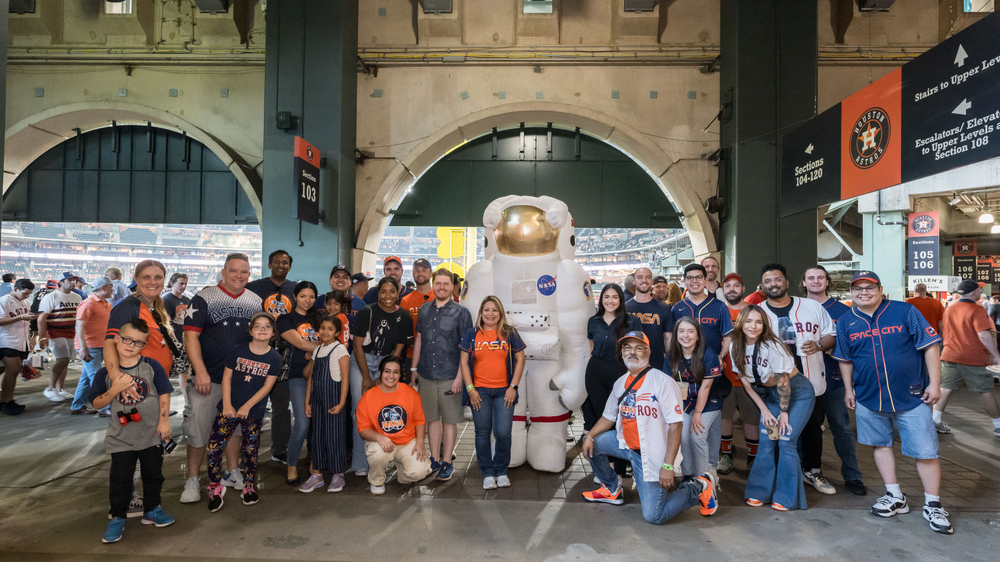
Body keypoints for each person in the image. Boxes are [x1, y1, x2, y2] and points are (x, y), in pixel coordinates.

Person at [832, 270, 952, 535]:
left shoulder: (904, 311)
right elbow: (844, 358)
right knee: (880, 444)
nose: (864, 292)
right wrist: (849, 390)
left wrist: (934, 383)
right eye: (857, 288)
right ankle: (895, 495)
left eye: (869, 287)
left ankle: (933, 504)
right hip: (867, 396)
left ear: (880, 289)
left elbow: (930, 345)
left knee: (925, 451)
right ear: (851, 292)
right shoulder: (845, 321)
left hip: (912, 394)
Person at [580, 330, 718, 524]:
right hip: (626, 445)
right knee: (594, 444)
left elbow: (676, 426)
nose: (632, 352)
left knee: (654, 516)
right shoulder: (620, 383)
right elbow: (608, 416)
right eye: (627, 348)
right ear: (621, 353)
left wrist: (667, 466)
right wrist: (589, 436)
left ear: (648, 352)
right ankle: (612, 489)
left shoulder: (662, 382)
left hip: (652, 455)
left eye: (638, 348)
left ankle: (699, 486)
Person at [181, 253, 262, 504]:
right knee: (199, 429)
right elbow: (190, 336)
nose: (239, 276)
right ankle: (192, 479)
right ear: (224, 271)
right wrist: (200, 370)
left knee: (235, 428)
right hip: (211, 376)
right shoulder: (204, 297)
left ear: (249, 274)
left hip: (241, 380)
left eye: (244, 272)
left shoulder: (255, 300)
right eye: (234, 271)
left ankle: (231, 471)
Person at [89, 318, 175, 543]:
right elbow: (96, 403)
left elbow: (164, 392)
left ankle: (152, 509)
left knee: (153, 475)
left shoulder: (151, 366)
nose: (131, 345)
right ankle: (117, 516)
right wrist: (114, 389)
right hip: (121, 438)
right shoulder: (105, 373)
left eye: (138, 342)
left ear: (144, 345)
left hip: (151, 434)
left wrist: (164, 422)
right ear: (116, 339)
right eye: (127, 339)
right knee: (120, 478)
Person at [758, 263, 837, 495]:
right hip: (773, 385)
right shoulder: (758, 311)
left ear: (787, 282)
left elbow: (830, 335)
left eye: (778, 279)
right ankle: (775, 472)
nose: (774, 284)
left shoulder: (811, 306)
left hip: (810, 382)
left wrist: (820, 345)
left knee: (813, 428)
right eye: (768, 281)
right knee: (774, 430)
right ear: (762, 286)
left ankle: (812, 470)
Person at [730, 305, 815, 511]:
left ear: (764, 324)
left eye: (759, 322)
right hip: (769, 398)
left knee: (785, 440)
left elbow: (783, 382)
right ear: (741, 323)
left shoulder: (772, 345)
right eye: (749, 321)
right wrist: (765, 411)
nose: (754, 326)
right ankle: (759, 492)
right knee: (768, 440)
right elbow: (747, 384)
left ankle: (787, 497)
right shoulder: (736, 346)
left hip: (796, 394)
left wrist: (783, 413)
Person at [205, 312, 281, 512]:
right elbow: (227, 378)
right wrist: (228, 404)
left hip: (253, 411)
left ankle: (248, 485)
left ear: (273, 332)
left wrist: (248, 406)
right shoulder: (237, 351)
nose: (262, 329)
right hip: (228, 409)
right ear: (250, 330)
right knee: (214, 448)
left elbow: (267, 386)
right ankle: (214, 487)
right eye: (258, 326)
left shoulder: (274, 357)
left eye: (267, 326)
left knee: (250, 450)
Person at [801, 265, 866, 496]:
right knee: (806, 430)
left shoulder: (843, 310)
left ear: (827, 282)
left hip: (835, 379)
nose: (816, 281)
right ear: (804, 282)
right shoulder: (797, 308)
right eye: (811, 278)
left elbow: (851, 344)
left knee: (841, 428)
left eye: (820, 277)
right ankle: (806, 471)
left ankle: (852, 475)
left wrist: (829, 347)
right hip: (805, 380)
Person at [671, 263, 733, 475]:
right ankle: (694, 472)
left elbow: (728, 336)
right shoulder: (677, 308)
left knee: (711, 423)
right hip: (687, 373)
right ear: (685, 281)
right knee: (695, 428)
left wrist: (722, 356)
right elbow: (672, 339)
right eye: (690, 277)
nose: (694, 281)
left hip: (711, 373)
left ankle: (710, 468)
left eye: (699, 277)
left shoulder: (719, 306)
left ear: (706, 280)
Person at [459, 295, 527, 489]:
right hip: (479, 391)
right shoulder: (472, 334)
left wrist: (513, 387)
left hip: (504, 392)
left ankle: (501, 470)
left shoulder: (509, 333)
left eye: (494, 310)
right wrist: (470, 389)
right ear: (481, 312)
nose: (490, 314)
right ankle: (487, 472)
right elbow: (463, 362)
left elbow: (520, 360)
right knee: (482, 433)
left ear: (500, 313)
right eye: (486, 310)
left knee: (503, 432)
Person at [413, 269, 474, 481]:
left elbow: (465, 348)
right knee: (432, 420)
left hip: (450, 375)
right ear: (433, 284)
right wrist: (414, 369)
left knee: (450, 420)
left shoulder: (462, 313)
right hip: (427, 373)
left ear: (452, 286)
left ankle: (447, 461)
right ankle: (434, 459)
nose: (441, 287)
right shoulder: (424, 310)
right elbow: (419, 340)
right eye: (437, 283)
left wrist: (460, 378)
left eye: (445, 284)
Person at [349, 277, 414, 476]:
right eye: (383, 291)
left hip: (387, 362)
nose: (387, 296)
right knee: (359, 411)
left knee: (385, 410)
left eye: (392, 292)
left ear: (398, 293)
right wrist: (368, 377)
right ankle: (360, 463)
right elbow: (357, 345)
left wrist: (386, 373)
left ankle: (383, 458)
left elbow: (399, 347)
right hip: (361, 361)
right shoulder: (367, 311)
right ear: (378, 293)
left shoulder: (403, 315)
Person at [933, 279, 1000, 438]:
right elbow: (983, 335)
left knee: (946, 388)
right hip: (973, 357)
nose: (981, 293)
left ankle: (934, 421)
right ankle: (998, 426)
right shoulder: (977, 310)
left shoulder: (950, 308)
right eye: (979, 290)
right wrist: (996, 354)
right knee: (985, 390)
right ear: (973, 292)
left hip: (950, 355)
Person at [356, 356, 432, 494]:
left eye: (395, 372)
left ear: (400, 375)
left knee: (419, 472)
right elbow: (363, 429)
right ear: (380, 373)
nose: (391, 376)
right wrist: (380, 437)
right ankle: (377, 480)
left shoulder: (411, 393)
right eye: (387, 371)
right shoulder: (368, 397)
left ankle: (403, 474)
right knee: (377, 455)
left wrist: (420, 443)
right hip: (382, 443)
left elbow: (420, 421)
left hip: (406, 442)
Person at [298, 315, 351, 493]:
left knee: (335, 436)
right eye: (323, 328)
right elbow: (311, 378)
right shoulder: (317, 350)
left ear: (337, 332)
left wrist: (342, 402)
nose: (325, 332)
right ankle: (317, 475)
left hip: (334, 399)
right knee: (318, 436)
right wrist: (307, 402)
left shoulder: (340, 350)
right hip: (317, 400)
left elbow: (345, 379)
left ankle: (338, 474)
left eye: (330, 329)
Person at [276, 281, 321, 486]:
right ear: (295, 296)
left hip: (321, 375)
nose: (307, 300)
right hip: (297, 375)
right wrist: (318, 348)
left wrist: (314, 351)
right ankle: (292, 464)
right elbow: (300, 343)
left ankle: (316, 464)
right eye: (303, 296)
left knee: (319, 423)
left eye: (311, 296)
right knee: (302, 424)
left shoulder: (318, 318)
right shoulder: (286, 319)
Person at [584, 284, 642, 440]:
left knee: (621, 417)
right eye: (606, 297)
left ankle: (620, 461)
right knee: (600, 415)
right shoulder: (593, 321)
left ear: (621, 299)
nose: (610, 301)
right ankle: (606, 458)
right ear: (601, 299)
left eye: (615, 297)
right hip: (595, 374)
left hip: (622, 373)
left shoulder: (631, 321)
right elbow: (592, 347)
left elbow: (639, 351)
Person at [667, 317, 722, 480]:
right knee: (682, 435)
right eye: (681, 331)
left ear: (698, 336)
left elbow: (706, 387)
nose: (686, 335)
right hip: (685, 400)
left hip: (709, 401)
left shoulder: (709, 354)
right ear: (676, 334)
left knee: (696, 435)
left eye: (691, 331)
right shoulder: (672, 355)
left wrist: (697, 412)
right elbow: (668, 383)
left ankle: (703, 477)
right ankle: (688, 473)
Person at [717, 273, 761, 474]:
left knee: (750, 418)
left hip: (750, 376)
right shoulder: (719, 310)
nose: (732, 289)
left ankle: (753, 459)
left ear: (743, 289)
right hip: (723, 374)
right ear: (722, 289)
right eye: (728, 286)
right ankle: (726, 456)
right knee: (725, 418)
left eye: (736, 285)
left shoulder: (753, 311)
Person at [71, 276, 114, 416]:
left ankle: (77, 406)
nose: (113, 289)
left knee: (87, 376)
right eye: (111, 287)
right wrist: (83, 347)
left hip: (100, 345)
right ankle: (103, 408)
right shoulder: (88, 304)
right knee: (97, 376)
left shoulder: (106, 304)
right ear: (103, 288)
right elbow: (79, 326)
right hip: (90, 347)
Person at [38, 272, 84, 402]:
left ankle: (59, 389)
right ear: (61, 282)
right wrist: (42, 337)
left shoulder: (77, 297)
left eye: (74, 280)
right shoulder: (51, 296)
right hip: (56, 333)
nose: (72, 282)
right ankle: (50, 388)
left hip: (71, 333)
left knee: (66, 361)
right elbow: (42, 318)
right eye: (69, 280)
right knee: (62, 360)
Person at [0, 279, 36, 415]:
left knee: (12, 372)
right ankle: (8, 401)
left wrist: (29, 340)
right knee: (13, 370)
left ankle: (5, 400)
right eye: (25, 293)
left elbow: (25, 322)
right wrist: (21, 317)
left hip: (21, 341)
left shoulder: (25, 302)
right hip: (7, 340)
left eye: (29, 294)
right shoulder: (3, 300)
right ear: (16, 289)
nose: (27, 296)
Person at [625, 267, 673, 371]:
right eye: (640, 277)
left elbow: (668, 338)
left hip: (657, 363)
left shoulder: (664, 308)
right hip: (630, 363)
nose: (644, 280)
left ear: (651, 281)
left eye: (648, 277)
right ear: (634, 281)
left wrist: (669, 361)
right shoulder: (625, 308)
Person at [399, 259, 433, 380]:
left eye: (424, 270)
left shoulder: (439, 297)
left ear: (431, 273)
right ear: (412, 274)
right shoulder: (405, 300)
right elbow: (402, 332)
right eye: (417, 270)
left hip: (435, 357)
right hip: (411, 356)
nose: (420, 273)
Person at [245, 250, 295, 319]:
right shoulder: (253, 287)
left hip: (288, 329)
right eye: (276, 262)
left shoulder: (296, 289)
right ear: (269, 265)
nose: (280, 265)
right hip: (262, 329)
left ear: (289, 267)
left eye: (285, 263)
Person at [315, 265, 365, 330]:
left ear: (350, 282)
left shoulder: (360, 304)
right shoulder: (319, 301)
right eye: (336, 276)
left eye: (345, 277)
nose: (340, 280)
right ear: (330, 280)